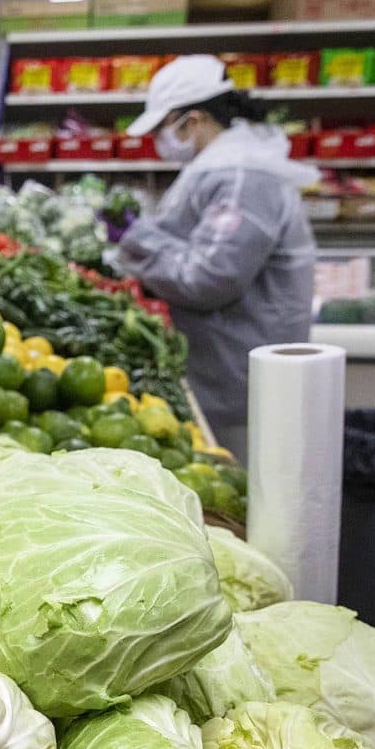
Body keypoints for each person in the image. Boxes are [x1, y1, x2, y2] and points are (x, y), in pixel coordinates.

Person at [112, 54, 317, 460]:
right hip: (221, 369)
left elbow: (209, 276)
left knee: (242, 489)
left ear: (195, 120)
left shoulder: (244, 177)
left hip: (239, 377)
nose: (159, 140)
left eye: (163, 127)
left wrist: (138, 239)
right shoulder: (225, 167)